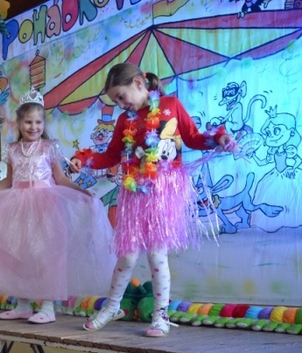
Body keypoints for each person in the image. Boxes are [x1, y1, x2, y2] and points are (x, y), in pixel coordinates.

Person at [70, 63, 237, 337]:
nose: (121, 104)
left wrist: (220, 138)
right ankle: (112, 306)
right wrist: (84, 159)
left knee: (157, 254)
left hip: (164, 191)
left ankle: (160, 315)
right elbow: (111, 155)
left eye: (121, 97)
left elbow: (193, 138)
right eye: (115, 101)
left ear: (138, 83)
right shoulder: (125, 121)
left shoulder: (171, 105)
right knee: (127, 255)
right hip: (134, 191)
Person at [0, 88, 115, 324]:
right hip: (18, 207)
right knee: (20, 255)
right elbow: (8, 181)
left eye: (38, 122)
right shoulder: (12, 150)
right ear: (19, 123)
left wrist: (82, 192)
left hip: (47, 207)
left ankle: (47, 307)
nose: (33, 127)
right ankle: (22, 305)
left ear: (43, 124)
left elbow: (61, 179)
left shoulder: (49, 147)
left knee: (47, 256)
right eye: (28, 122)